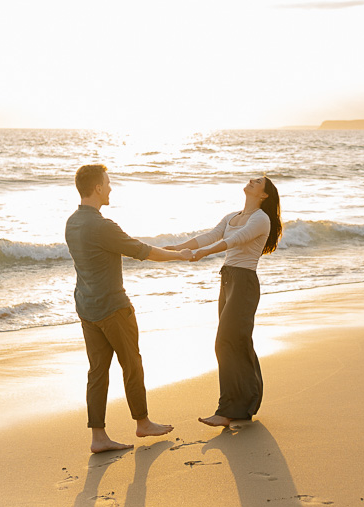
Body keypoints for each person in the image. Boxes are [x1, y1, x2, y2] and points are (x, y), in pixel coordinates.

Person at [66, 164, 192, 452]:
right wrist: (179, 255)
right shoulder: (102, 226)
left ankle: (98, 437)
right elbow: (141, 251)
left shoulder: (72, 222)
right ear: (97, 187)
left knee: (97, 372)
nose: (110, 188)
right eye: (107, 183)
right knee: (131, 364)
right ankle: (143, 423)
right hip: (113, 307)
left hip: (86, 307)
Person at [167, 176, 282, 427]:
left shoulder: (261, 219)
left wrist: (203, 253)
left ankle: (227, 410)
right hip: (228, 280)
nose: (251, 181)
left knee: (225, 342)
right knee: (237, 342)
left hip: (244, 283)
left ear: (264, 195)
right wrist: (176, 248)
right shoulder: (232, 216)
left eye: (257, 182)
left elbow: (235, 240)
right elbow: (210, 235)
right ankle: (245, 404)